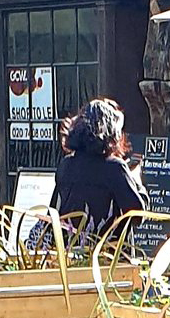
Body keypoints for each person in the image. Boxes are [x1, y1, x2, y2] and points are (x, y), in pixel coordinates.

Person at [51, 98, 146, 231]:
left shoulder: (66, 165)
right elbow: (138, 215)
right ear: (111, 133)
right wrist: (136, 180)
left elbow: (55, 210)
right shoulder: (114, 168)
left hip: (71, 248)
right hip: (106, 249)